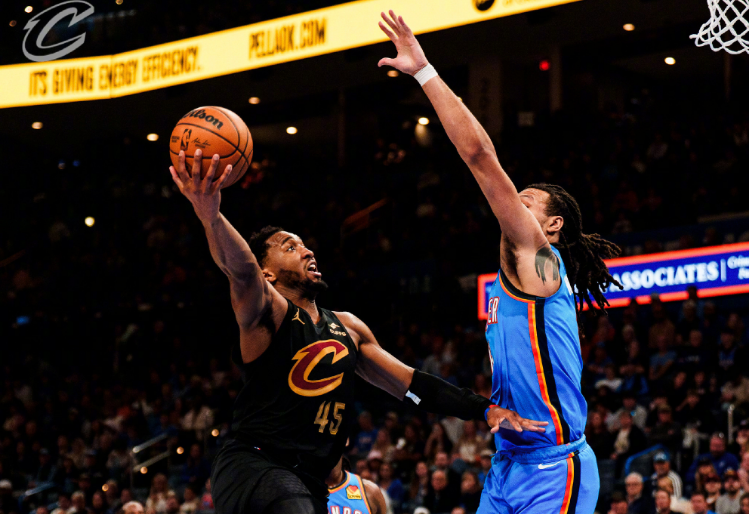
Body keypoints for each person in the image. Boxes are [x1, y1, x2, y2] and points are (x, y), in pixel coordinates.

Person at [169, 146, 543, 513]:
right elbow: (241, 269)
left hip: (308, 479)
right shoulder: (268, 312)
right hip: (253, 465)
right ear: (267, 273)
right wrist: (211, 216)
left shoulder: (347, 327)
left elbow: (412, 385)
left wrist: (483, 409)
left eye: (305, 245)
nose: (307, 251)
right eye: (290, 247)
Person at [377, 10, 617, 514]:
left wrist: (424, 72)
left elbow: (481, 158)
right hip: (507, 464)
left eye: (526, 202)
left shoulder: (539, 258)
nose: (514, 206)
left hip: (556, 465)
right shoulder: (511, 277)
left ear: (553, 226)